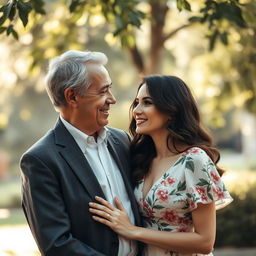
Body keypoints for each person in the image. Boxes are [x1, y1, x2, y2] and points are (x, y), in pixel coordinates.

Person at [89, 75, 233, 256]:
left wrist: (134, 231)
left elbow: (205, 242)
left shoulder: (194, 161)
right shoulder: (141, 158)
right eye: (137, 103)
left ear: (171, 111)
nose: (137, 111)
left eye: (147, 103)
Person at [20, 50, 142, 256]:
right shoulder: (40, 160)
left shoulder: (122, 140)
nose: (112, 99)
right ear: (72, 96)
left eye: (110, 90)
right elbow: (57, 245)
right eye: (103, 91)